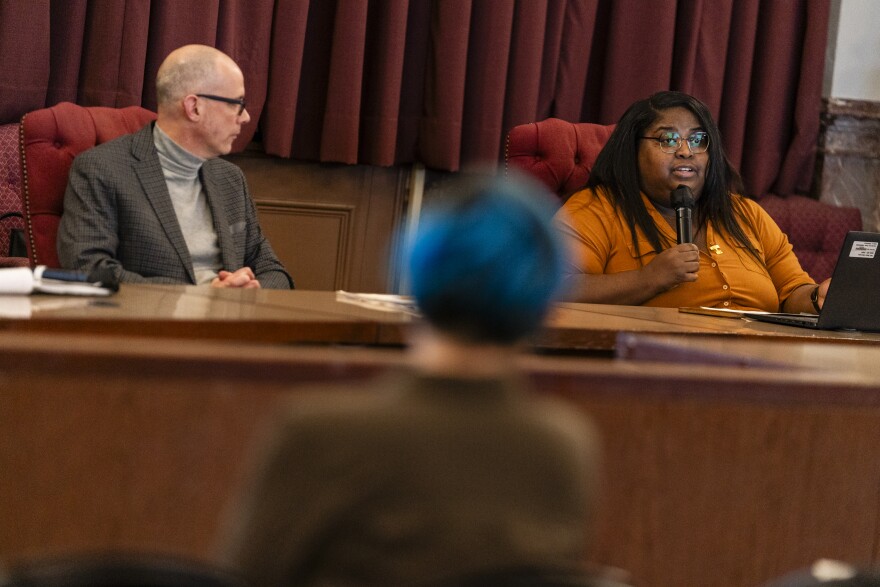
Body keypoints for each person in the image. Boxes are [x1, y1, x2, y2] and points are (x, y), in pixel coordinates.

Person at [216, 173, 602, 586]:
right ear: (545, 301)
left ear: (416, 271)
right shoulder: (565, 444)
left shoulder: (320, 432)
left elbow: (245, 575)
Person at [554, 90, 826, 313]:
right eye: (668, 139)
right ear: (632, 150)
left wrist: (818, 298)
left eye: (698, 140)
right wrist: (646, 280)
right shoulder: (596, 209)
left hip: (760, 363)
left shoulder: (745, 213)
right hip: (655, 365)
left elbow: (792, 291)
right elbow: (550, 288)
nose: (686, 151)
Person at [57, 44, 293, 289]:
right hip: (151, 324)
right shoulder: (101, 169)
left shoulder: (230, 179)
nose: (245, 118)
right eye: (237, 104)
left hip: (231, 321)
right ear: (194, 107)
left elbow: (274, 271)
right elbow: (88, 268)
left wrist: (248, 292)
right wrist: (201, 297)